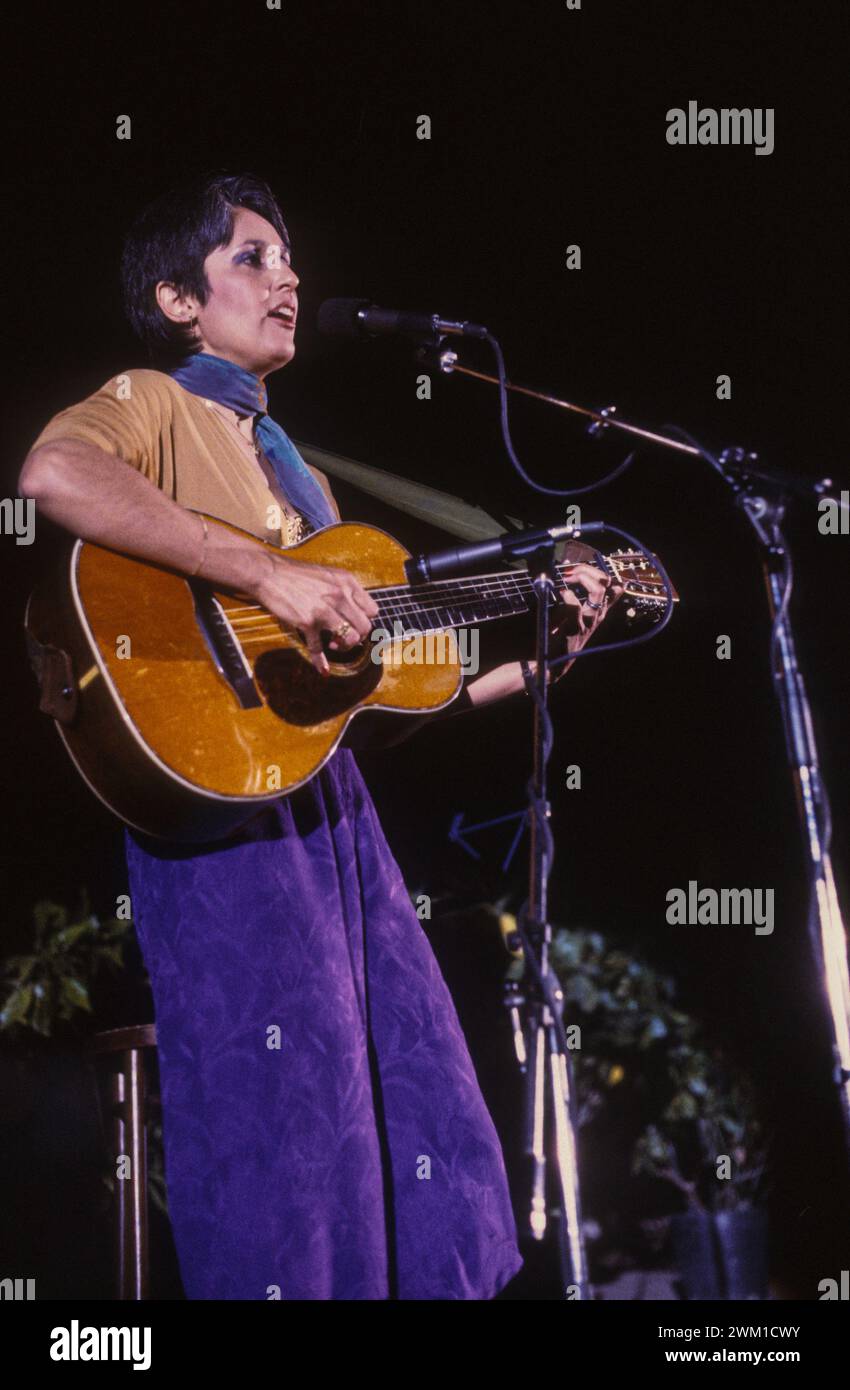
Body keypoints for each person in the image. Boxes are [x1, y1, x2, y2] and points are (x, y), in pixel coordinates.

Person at [18, 173, 620, 1300]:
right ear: (176, 297)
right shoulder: (151, 399)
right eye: (251, 257)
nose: (287, 276)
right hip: (223, 825)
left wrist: (548, 650)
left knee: (409, 1105)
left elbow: (386, 703)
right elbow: (53, 473)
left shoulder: (301, 472)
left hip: (333, 824)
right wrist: (262, 572)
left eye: (289, 258)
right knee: (286, 1140)